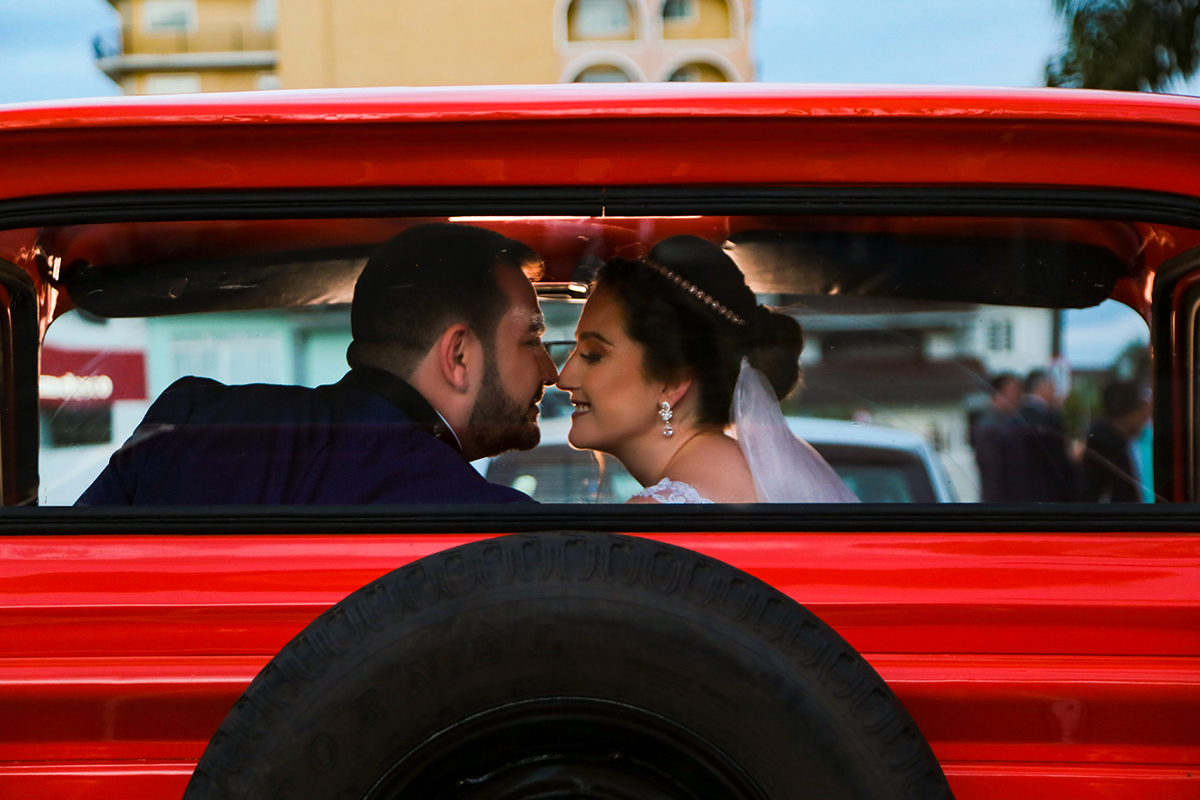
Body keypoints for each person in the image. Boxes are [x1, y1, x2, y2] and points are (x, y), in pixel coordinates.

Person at [77, 223, 559, 505]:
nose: (551, 371)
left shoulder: (188, 423)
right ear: (458, 356)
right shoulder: (491, 527)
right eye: (533, 339)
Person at [556, 235, 857, 504]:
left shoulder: (654, 517)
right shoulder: (755, 474)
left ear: (672, 381)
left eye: (593, 355)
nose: (563, 378)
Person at [1079, 380, 1152, 503]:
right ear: (1130, 413)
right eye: (1143, 413)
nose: (1145, 420)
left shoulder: (1124, 443)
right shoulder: (1106, 448)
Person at [1013, 368, 1076, 502]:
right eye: (1053, 387)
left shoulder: (1017, 415)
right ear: (1043, 387)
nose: (1056, 393)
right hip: (1049, 494)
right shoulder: (1048, 417)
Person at [971, 372, 1023, 502]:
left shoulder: (1007, 421)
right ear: (999, 394)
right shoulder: (990, 427)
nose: (1018, 397)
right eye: (1013, 391)